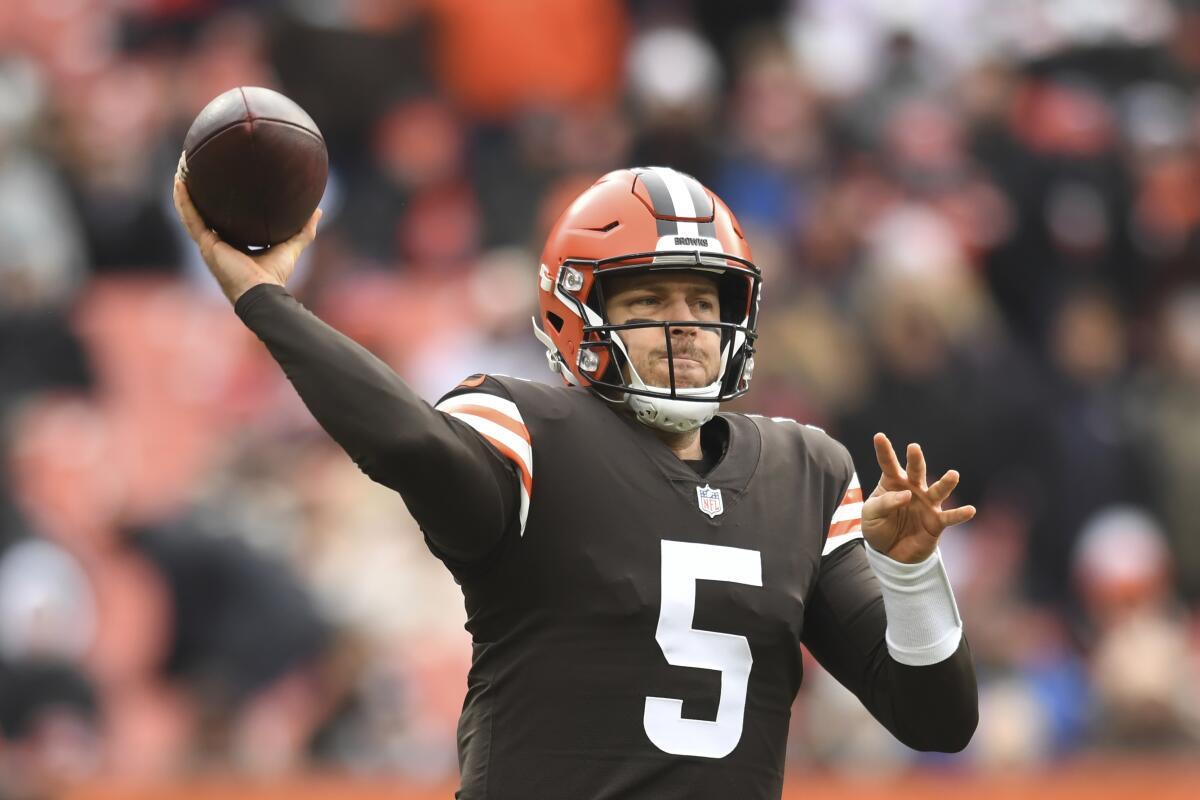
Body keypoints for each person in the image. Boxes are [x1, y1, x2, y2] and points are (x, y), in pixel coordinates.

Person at [173, 163, 978, 799]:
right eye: (650, 299)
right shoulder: (530, 426)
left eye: (704, 299)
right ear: (576, 313)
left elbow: (936, 721)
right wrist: (266, 301)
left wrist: (908, 573)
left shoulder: (806, 471)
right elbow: (413, 445)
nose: (684, 325)